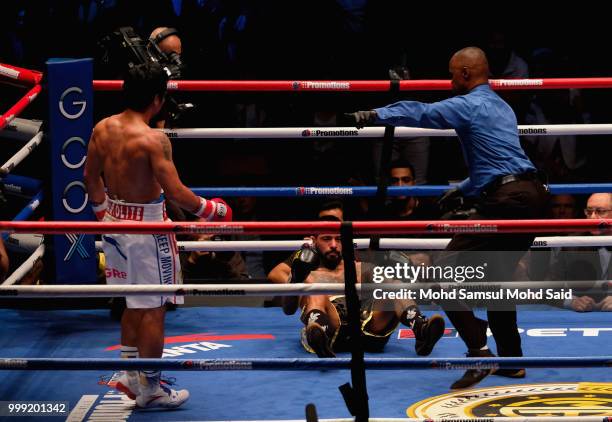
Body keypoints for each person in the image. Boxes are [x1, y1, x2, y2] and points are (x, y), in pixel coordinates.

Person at [347, 46, 549, 389]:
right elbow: (500, 158)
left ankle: (479, 350)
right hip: (531, 195)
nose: (449, 79)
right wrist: (466, 187)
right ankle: (512, 361)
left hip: (510, 199)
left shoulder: (469, 104)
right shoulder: (500, 105)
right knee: (497, 280)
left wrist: (377, 114)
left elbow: (423, 113)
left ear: (466, 74)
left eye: (452, 73)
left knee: (441, 271)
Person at [84, 62, 232, 409]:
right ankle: (150, 388)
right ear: (157, 99)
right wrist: (216, 212)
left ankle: (128, 373)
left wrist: (104, 215)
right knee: (153, 308)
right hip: (149, 229)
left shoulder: (102, 128)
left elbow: (90, 177)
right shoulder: (154, 139)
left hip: (115, 224)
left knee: (133, 301)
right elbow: (177, 194)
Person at [283, 216, 445, 358]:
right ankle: (319, 336)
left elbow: (392, 284)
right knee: (316, 291)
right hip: (332, 334)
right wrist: (296, 278)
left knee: (393, 286)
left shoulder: (359, 268)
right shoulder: (305, 272)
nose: (333, 244)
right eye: (326, 238)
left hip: (366, 329)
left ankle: (421, 329)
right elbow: (288, 309)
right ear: (314, 240)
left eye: (338, 239)